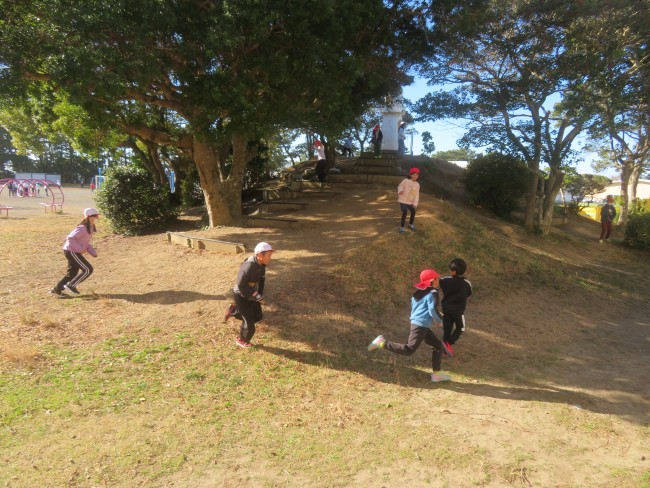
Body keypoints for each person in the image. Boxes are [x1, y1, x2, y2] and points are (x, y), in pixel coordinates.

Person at [368, 269, 452, 383]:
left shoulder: (418, 292)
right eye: (437, 278)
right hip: (420, 325)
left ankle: (437, 374)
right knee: (409, 350)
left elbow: (419, 308)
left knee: (438, 346)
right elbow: (432, 309)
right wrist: (440, 320)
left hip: (420, 325)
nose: (439, 280)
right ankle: (382, 343)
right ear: (433, 280)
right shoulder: (433, 292)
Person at [224, 242, 274, 348]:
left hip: (252, 295)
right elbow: (241, 285)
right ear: (260, 255)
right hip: (241, 296)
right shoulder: (248, 266)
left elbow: (261, 281)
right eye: (268, 255)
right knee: (249, 322)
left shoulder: (262, 266)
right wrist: (255, 295)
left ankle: (233, 310)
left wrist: (259, 294)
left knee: (258, 316)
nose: (270, 258)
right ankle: (241, 340)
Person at [49, 208, 99, 296]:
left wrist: (92, 252)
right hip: (71, 251)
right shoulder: (82, 228)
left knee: (72, 273)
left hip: (74, 251)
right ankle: (71, 285)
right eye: (94, 216)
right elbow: (70, 238)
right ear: (88, 217)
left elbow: (85, 242)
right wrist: (80, 249)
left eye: (96, 215)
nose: (96, 217)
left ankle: (56, 290)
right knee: (88, 269)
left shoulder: (90, 227)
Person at [438, 258, 472, 356]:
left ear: (453, 271)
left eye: (450, 269)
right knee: (460, 328)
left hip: (446, 309)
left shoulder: (445, 280)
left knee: (447, 330)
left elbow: (437, 282)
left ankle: (444, 349)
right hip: (458, 311)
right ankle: (447, 344)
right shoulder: (467, 283)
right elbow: (468, 294)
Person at [397, 167, 420, 233]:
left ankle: (410, 224)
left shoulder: (417, 185)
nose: (415, 176)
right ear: (410, 175)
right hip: (403, 200)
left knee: (413, 212)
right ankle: (402, 227)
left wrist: (415, 203)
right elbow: (400, 186)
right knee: (404, 212)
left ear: (418, 176)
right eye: (413, 174)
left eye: (416, 175)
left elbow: (416, 195)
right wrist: (400, 190)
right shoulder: (406, 181)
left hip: (410, 202)